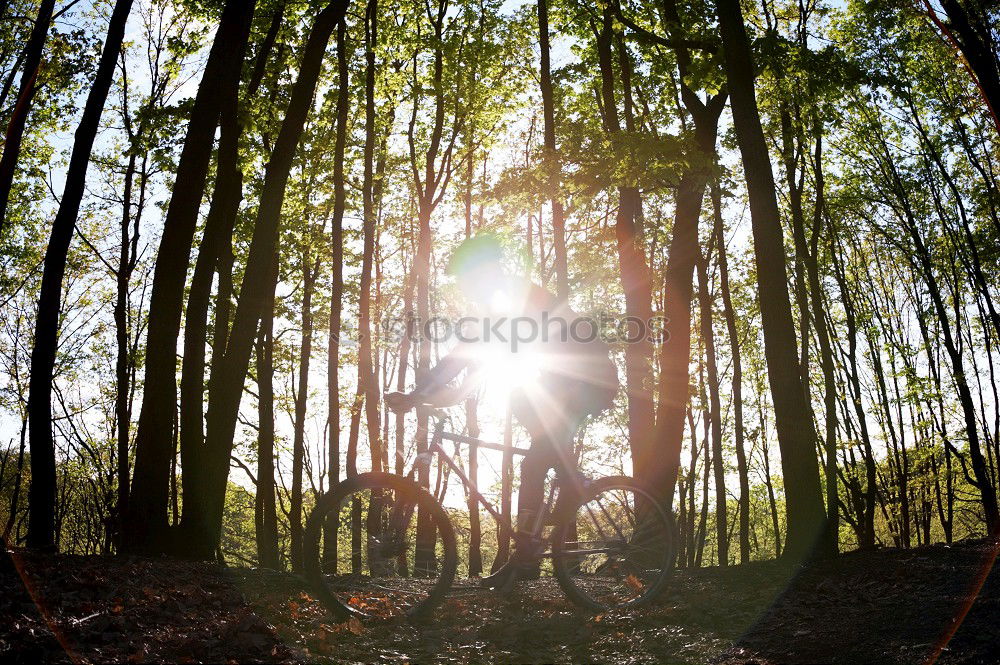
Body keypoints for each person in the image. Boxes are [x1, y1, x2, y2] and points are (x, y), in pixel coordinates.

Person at [385, 234, 619, 588]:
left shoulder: (520, 298)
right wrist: (420, 396)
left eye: (468, 278)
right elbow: (463, 367)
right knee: (530, 446)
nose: (466, 287)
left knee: (534, 446)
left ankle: (571, 483)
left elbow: (466, 361)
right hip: (563, 381)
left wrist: (422, 393)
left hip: (590, 381)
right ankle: (527, 553)